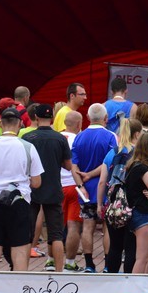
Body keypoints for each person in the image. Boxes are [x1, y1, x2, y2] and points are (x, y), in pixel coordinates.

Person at [0, 108, 44, 272]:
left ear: (0, 124)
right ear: (20, 124)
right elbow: (37, 182)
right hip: (20, 202)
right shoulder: (28, 147)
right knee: (20, 252)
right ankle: (19, 286)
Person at [23, 103, 72, 271]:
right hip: (53, 190)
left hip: (31, 190)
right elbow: (68, 166)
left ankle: (23, 270)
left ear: (36, 117)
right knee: (56, 235)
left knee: (26, 234)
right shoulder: (60, 138)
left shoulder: (27, 138)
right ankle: (59, 271)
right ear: (52, 118)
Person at [71, 103, 118, 272]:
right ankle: (107, 265)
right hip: (105, 188)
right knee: (107, 228)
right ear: (106, 118)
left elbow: (73, 165)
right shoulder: (111, 136)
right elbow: (111, 162)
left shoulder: (79, 137)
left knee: (87, 226)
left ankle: (89, 265)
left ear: (88, 117)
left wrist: (81, 184)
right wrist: (91, 174)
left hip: (86, 190)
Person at [97, 119, 142, 274]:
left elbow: (102, 181)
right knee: (131, 247)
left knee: (115, 246)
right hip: (133, 203)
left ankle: (112, 277)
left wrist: (100, 204)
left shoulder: (113, 152)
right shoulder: (139, 154)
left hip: (114, 203)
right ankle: (128, 279)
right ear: (137, 134)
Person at [124, 133, 148, 274]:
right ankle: (136, 284)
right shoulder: (144, 170)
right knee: (142, 258)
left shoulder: (132, 166)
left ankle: (147, 281)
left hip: (136, 213)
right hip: (143, 215)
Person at [60, 110, 84, 270]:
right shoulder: (79, 139)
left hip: (57, 187)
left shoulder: (57, 137)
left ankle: (50, 261)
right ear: (79, 124)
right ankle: (69, 263)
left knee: (56, 227)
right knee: (74, 226)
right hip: (74, 186)